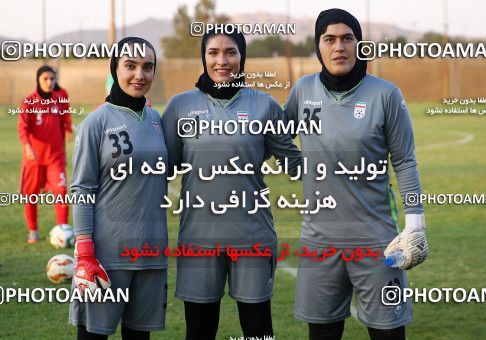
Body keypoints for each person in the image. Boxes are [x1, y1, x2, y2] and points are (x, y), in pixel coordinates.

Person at [283, 9, 429, 340]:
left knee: (388, 333)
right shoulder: (303, 90)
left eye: (347, 38)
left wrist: (415, 225)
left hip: (378, 240)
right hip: (319, 240)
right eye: (329, 39)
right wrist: (296, 166)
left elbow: (404, 161)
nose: (339, 47)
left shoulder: (386, 94)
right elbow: (276, 137)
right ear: (318, 47)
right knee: (322, 334)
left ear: (359, 44)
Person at [162, 29, 302, 340]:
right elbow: (160, 170)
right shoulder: (179, 106)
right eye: (213, 53)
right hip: (199, 238)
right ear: (204, 57)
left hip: (252, 234)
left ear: (242, 57)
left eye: (231, 52)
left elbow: (295, 162)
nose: (222, 60)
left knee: (257, 330)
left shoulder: (264, 105)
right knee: (199, 331)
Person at [69, 37, 168, 339]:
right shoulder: (95, 123)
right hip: (106, 255)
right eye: (130, 66)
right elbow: (82, 188)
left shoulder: (155, 119)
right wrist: (85, 252)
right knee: (94, 335)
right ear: (115, 68)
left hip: (151, 251)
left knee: (139, 336)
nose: (140, 75)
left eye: (147, 67)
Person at [17, 65, 73, 243]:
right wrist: (27, 146)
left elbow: (65, 117)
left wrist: (68, 127)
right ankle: (33, 231)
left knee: (61, 192)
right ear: (38, 80)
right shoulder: (28, 102)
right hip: (33, 159)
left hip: (55, 157)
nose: (49, 82)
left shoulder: (60, 98)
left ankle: (63, 231)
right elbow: (22, 128)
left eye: (52, 79)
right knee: (30, 195)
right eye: (45, 79)